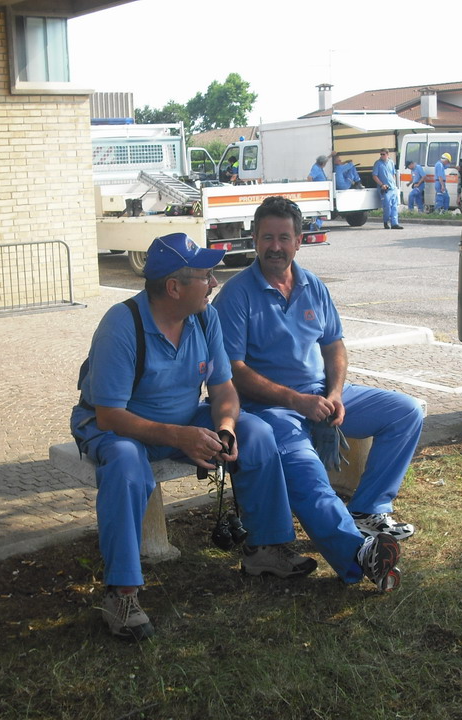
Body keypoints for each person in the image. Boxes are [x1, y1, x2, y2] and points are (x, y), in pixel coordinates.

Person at [70, 233, 318, 640]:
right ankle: (122, 593)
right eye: (206, 276)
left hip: (183, 420)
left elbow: (223, 390)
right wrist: (180, 436)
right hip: (118, 426)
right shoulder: (121, 325)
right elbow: (109, 415)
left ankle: (265, 550)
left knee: (256, 432)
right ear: (174, 287)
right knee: (127, 466)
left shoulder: (204, 317)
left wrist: (225, 429)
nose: (214, 283)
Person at [213, 196, 423, 592]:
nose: (276, 246)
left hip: (321, 397)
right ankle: (358, 555)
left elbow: (334, 345)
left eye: (284, 238)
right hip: (271, 410)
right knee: (309, 477)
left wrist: (336, 393)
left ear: (299, 241)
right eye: (267, 237)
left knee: (405, 411)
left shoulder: (313, 286)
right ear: (254, 240)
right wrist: (298, 402)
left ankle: (368, 509)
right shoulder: (236, 295)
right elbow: (233, 371)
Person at [372, 149, 403, 229]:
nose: (381, 156)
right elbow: (375, 176)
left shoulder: (391, 162)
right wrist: (381, 185)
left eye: (383, 154)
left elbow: (393, 174)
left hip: (392, 188)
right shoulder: (378, 163)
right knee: (387, 206)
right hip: (384, 189)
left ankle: (394, 224)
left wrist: (394, 184)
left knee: (394, 206)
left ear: (387, 154)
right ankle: (386, 221)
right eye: (381, 154)